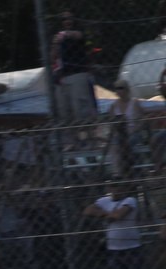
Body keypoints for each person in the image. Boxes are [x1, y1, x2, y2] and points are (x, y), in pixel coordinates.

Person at [51, 11, 97, 143]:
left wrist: (64, 34)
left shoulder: (77, 33)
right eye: (64, 19)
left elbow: (78, 35)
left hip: (77, 74)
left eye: (69, 19)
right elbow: (52, 57)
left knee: (82, 111)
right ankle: (72, 142)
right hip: (61, 78)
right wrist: (55, 44)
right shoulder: (58, 38)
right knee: (65, 112)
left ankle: (91, 139)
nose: (67, 21)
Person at [83, 184, 143, 269]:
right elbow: (88, 210)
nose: (116, 189)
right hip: (113, 248)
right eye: (113, 186)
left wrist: (103, 214)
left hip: (131, 247)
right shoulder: (104, 200)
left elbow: (118, 216)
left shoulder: (130, 200)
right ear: (108, 188)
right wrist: (107, 214)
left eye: (118, 186)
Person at [106, 80, 145, 179]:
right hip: (120, 133)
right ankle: (117, 173)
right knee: (115, 144)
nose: (118, 91)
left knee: (127, 142)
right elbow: (111, 123)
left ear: (127, 89)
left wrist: (133, 130)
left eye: (121, 88)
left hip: (133, 132)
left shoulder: (135, 103)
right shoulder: (113, 106)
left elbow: (141, 122)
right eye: (116, 88)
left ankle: (129, 170)